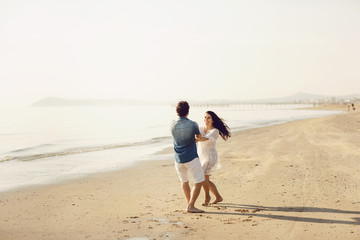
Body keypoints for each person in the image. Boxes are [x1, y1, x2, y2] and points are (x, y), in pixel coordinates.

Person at [170, 101, 205, 213]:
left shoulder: (172, 124)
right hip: (191, 157)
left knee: (184, 181)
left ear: (177, 111)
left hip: (178, 159)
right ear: (188, 111)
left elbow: (176, 138)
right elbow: (199, 137)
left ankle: (189, 204)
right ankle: (191, 206)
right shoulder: (193, 124)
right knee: (199, 181)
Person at [197, 111, 231, 206]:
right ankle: (218, 197)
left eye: (209, 118)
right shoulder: (200, 128)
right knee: (205, 177)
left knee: (203, 175)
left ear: (212, 120)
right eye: (205, 117)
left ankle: (207, 196)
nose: (206, 119)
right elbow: (197, 136)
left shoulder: (215, 131)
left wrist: (197, 139)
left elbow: (204, 139)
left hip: (210, 157)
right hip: (201, 156)